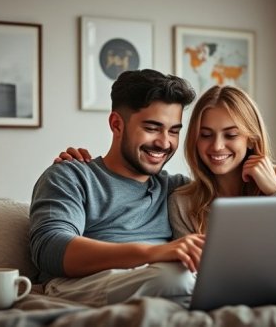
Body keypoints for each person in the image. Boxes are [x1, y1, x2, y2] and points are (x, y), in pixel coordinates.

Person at [58, 85, 276, 300]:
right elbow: (197, 278)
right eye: (206, 135)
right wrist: (80, 168)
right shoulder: (183, 199)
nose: (217, 147)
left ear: (250, 138)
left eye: (230, 135)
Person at [29, 69, 203, 308]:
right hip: (83, 284)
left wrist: (272, 184)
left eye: (173, 131)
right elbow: (50, 248)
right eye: (152, 128)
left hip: (161, 279)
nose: (165, 143)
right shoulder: (71, 175)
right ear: (116, 124)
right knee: (179, 279)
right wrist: (152, 253)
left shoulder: (176, 188)